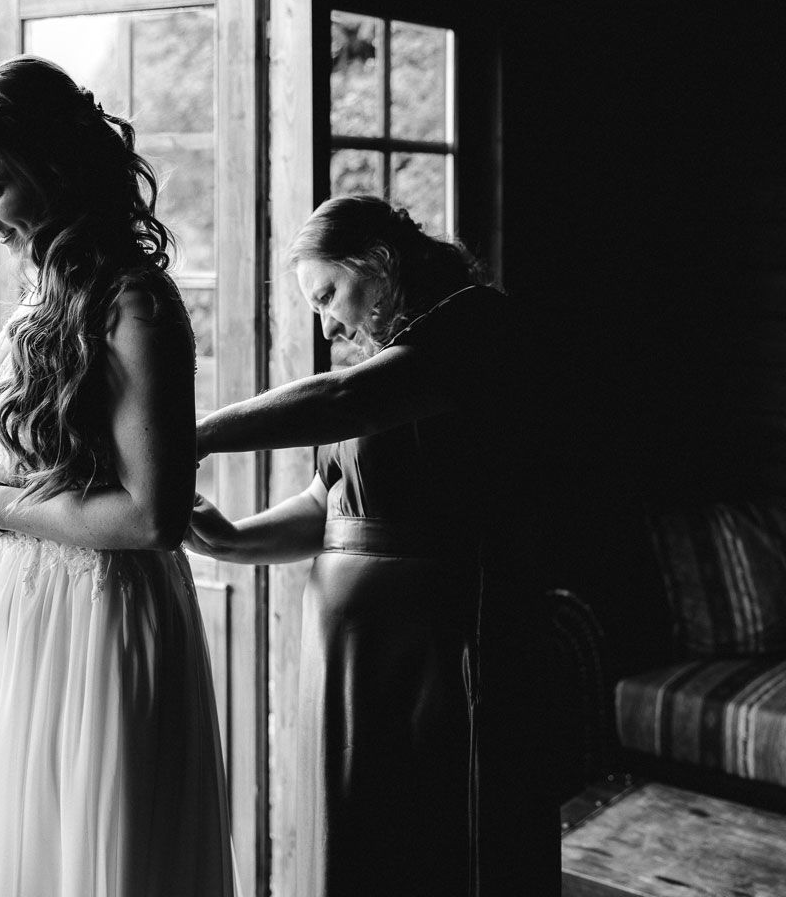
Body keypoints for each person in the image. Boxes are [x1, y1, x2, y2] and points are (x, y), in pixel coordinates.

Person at [0, 56, 233, 897]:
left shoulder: (134, 304)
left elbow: (151, 518)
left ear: (55, 169)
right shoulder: (46, 290)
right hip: (23, 606)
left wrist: (1, 509)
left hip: (103, 612)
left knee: (100, 857)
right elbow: (22, 466)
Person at [184, 194, 528, 897]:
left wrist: (197, 436)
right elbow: (327, 506)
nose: (328, 323)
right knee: (360, 836)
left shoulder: (475, 324)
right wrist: (230, 539)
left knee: (432, 833)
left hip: (438, 641)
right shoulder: (388, 363)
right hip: (355, 652)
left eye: (328, 295)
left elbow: (342, 399)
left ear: (379, 262)